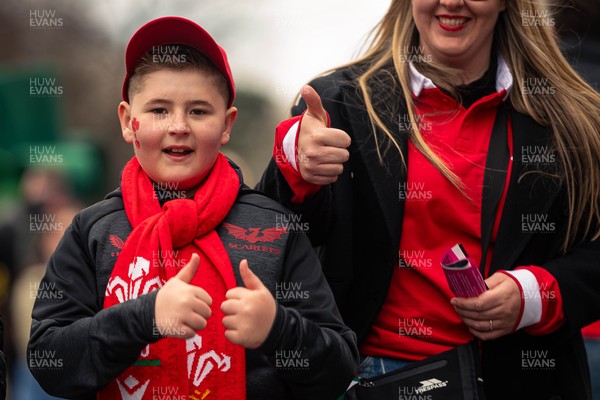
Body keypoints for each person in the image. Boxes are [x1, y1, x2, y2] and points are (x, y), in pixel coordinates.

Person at [258, 0, 600, 399]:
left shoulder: (569, 116)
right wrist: (295, 168)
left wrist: (536, 294)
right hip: (371, 380)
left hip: (518, 380)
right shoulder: (338, 101)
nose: (451, 2)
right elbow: (274, 237)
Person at [27, 16, 358, 400]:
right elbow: (48, 361)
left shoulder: (277, 227)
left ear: (227, 124)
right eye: (158, 110)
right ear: (127, 121)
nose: (179, 126)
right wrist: (143, 316)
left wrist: (278, 329)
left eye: (199, 111)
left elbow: (338, 370)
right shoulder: (91, 230)